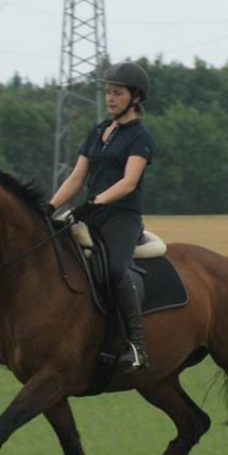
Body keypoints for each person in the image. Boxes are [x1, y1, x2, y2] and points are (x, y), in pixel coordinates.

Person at [49, 61, 154, 372]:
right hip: (91, 213)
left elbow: (128, 182)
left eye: (117, 93)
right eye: (108, 92)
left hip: (122, 216)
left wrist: (94, 203)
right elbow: (76, 178)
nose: (110, 98)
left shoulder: (140, 136)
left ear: (135, 98)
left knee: (114, 271)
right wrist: (49, 206)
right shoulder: (97, 132)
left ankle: (136, 346)